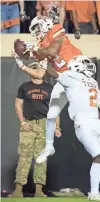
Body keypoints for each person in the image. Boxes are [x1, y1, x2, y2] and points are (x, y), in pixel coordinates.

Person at [12, 54, 100, 201]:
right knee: (52, 114)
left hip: (95, 123)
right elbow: (55, 74)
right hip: (81, 121)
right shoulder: (70, 76)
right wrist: (45, 66)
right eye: (85, 63)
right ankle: (50, 146)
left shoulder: (91, 81)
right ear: (77, 66)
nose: (89, 66)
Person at [17, 15, 82, 166]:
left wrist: (35, 48)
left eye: (37, 28)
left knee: (86, 106)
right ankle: (49, 146)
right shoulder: (40, 45)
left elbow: (53, 51)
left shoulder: (55, 29)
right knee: (52, 112)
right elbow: (40, 72)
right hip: (63, 77)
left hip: (77, 72)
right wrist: (21, 61)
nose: (36, 32)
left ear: (45, 24)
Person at [9, 62, 61, 198]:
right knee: (24, 157)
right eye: (33, 68)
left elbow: (55, 109)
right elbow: (18, 105)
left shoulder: (50, 88)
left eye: (38, 68)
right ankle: (18, 190)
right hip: (29, 125)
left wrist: (57, 127)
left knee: (41, 158)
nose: (36, 70)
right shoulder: (24, 87)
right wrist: (23, 122)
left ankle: (39, 190)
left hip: (45, 125)